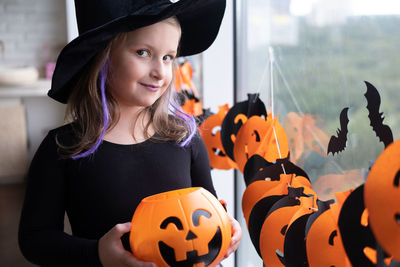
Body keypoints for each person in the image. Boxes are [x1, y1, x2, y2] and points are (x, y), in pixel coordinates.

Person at [18, 0, 241, 266]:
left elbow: (209, 209)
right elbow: (35, 239)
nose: (160, 72)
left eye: (168, 57)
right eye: (143, 53)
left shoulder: (185, 139)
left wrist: (225, 225)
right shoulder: (62, 147)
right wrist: (97, 254)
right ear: (103, 57)